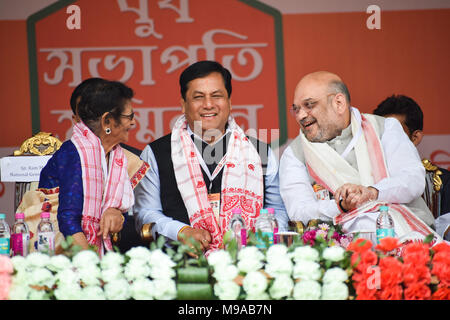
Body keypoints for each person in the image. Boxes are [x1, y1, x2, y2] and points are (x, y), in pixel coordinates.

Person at [134, 60, 288, 255]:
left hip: (250, 264)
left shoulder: (260, 152)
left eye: (217, 96)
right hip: (181, 266)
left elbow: (278, 209)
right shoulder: (156, 152)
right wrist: (181, 231)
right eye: (198, 97)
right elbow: (145, 213)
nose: (208, 105)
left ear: (229, 102)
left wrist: (263, 236)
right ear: (183, 104)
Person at [279, 71, 441, 245]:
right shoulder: (295, 153)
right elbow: (299, 210)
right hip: (340, 250)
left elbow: (412, 180)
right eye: (296, 109)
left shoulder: (385, 128)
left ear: (339, 103)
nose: (301, 115)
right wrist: (342, 206)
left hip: (409, 236)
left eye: (309, 105)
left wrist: (371, 193)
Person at [38, 78, 137, 255]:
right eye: (128, 116)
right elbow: (68, 220)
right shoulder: (75, 153)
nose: (132, 123)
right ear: (107, 121)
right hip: (65, 256)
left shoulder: (116, 155)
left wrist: (115, 212)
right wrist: (92, 267)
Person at [373, 94, 450, 240]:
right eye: (381, 134)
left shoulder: (444, 182)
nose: (389, 139)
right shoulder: (365, 180)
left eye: (397, 133)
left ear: (415, 137)